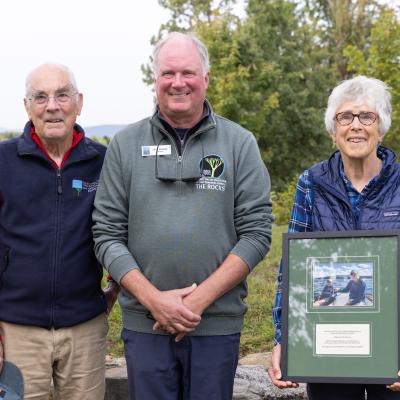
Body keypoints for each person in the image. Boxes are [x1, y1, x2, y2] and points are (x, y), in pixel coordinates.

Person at [92, 31, 273, 400]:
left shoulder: (239, 144)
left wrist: (195, 302)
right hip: (146, 324)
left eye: (188, 73)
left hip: (215, 324)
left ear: (206, 78)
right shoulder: (125, 146)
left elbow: (256, 233)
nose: (178, 82)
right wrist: (154, 300)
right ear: (154, 80)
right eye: (168, 73)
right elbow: (106, 234)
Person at [268, 76, 400, 399]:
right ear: (333, 130)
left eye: (366, 116)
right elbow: (293, 271)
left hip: (392, 347)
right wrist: (284, 339)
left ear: (381, 128)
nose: (356, 125)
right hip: (328, 345)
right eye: (345, 117)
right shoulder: (310, 183)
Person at [0, 63, 119, 400]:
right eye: (40, 97)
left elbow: (122, 228)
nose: (52, 105)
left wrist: (115, 287)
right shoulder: (3, 161)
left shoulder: (104, 161)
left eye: (62, 95)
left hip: (85, 329)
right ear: (27, 106)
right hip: (16, 332)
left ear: (78, 102)